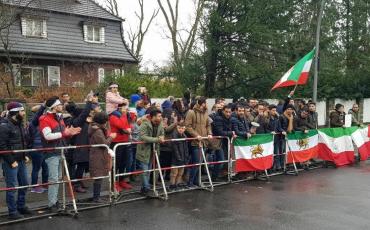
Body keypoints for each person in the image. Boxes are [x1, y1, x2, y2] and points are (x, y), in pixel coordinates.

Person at [39, 96, 81, 212]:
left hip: (60, 150)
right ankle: (51, 203)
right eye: (60, 105)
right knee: (53, 178)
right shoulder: (44, 119)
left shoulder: (59, 118)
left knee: (57, 178)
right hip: (51, 152)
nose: (62, 106)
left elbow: (62, 134)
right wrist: (64, 133)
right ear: (54, 107)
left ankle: (54, 201)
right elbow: (47, 136)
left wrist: (69, 133)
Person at [0, 102, 32, 219]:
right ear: (16, 112)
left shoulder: (19, 124)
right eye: (22, 111)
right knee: (12, 187)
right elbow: (2, 146)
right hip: (10, 162)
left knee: (24, 184)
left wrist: (25, 154)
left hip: (21, 160)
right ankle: (12, 212)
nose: (24, 113)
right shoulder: (4, 125)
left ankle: (21, 206)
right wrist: (11, 161)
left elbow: (23, 141)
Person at [88, 112, 117, 202]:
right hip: (98, 155)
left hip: (97, 154)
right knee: (98, 176)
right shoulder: (98, 130)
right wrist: (111, 137)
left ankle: (96, 196)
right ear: (103, 121)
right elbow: (103, 144)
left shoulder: (94, 127)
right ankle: (96, 197)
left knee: (98, 176)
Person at [185, 97, 213, 187]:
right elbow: (188, 126)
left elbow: (208, 125)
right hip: (195, 142)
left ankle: (196, 181)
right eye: (206, 103)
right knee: (196, 162)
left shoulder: (205, 113)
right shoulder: (191, 112)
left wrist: (209, 133)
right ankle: (190, 182)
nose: (207, 105)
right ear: (202, 103)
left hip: (204, 141)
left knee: (199, 163)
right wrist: (196, 135)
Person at [136, 109, 165, 195]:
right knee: (145, 171)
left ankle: (144, 188)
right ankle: (146, 188)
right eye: (159, 116)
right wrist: (157, 139)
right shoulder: (144, 124)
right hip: (144, 150)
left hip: (154, 150)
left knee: (148, 170)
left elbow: (162, 133)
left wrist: (162, 137)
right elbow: (143, 137)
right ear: (153, 117)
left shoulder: (160, 124)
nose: (161, 117)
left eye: (161, 116)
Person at [109, 103, 133, 192]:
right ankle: (113, 183)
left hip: (124, 142)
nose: (125, 109)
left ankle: (121, 180)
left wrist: (127, 129)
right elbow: (122, 125)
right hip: (116, 143)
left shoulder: (125, 115)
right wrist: (123, 115)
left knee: (124, 163)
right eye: (123, 107)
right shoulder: (113, 116)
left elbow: (129, 127)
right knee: (116, 164)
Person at [212, 105, 236, 180]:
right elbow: (220, 132)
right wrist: (231, 133)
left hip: (225, 142)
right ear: (223, 111)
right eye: (226, 112)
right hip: (218, 142)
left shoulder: (231, 119)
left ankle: (222, 175)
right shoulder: (218, 118)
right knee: (221, 159)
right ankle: (214, 177)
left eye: (229, 112)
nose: (228, 114)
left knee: (225, 159)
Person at [28, 104, 48, 194]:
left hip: (43, 148)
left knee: (45, 167)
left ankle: (45, 184)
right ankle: (34, 186)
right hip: (36, 148)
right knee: (36, 168)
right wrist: (43, 106)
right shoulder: (33, 122)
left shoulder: (42, 122)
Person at [169, 122, 189, 191]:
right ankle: (172, 185)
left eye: (183, 128)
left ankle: (177, 184)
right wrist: (178, 157)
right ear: (177, 128)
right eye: (179, 128)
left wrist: (186, 157)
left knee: (180, 173)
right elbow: (175, 148)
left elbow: (186, 148)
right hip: (176, 157)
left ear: (185, 129)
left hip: (183, 157)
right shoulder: (174, 135)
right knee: (174, 173)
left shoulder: (185, 136)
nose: (181, 129)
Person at [266, 104, 285, 172]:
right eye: (273, 110)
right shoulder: (266, 118)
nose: (274, 112)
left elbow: (279, 127)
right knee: (269, 153)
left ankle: (276, 166)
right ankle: (270, 167)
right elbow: (265, 129)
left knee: (276, 153)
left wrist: (282, 131)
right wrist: (270, 132)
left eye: (275, 110)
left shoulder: (277, 118)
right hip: (269, 139)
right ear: (269, 110)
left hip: (276, 138)